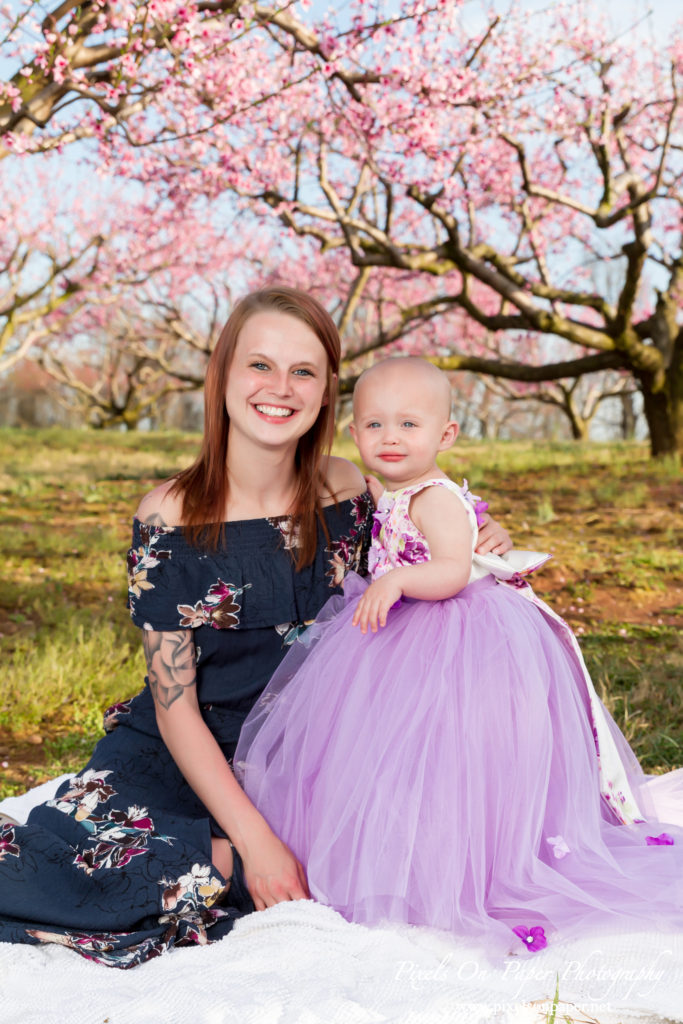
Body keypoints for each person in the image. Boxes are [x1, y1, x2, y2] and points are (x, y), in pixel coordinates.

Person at [0, 288, 512, 968]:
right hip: (189, 750)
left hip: (309, 749)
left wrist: (475, 542)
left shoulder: (347, 489)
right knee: (89, 860)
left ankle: (257, 867)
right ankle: (232, 864)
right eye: (259, 366)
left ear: (327, 390)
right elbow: (173, 702)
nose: (280, 388)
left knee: (410, 855)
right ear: (222, 376)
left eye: (303, 371)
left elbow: (419, 541)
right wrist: (253, 841)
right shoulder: (168, 515)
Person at [235, 356, 683, 957]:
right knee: (389, 753)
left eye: (409, 426)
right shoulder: (387, 489)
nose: (390, 438)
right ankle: (401, 846)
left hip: (452, 634)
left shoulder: (434, 496)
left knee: (450, 756)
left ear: (446, 435)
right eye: (374, 426)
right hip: (402, 634)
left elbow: (448, 570)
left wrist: (395, 582)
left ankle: (466, 860)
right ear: (354, 431)